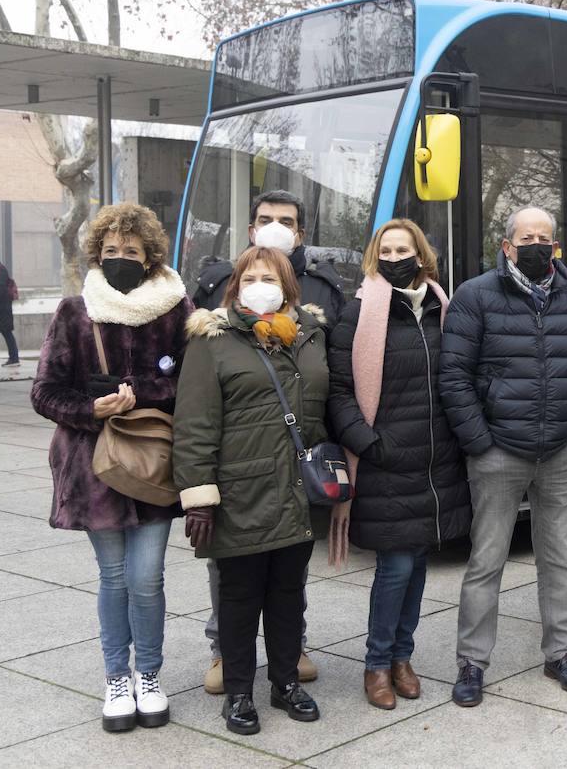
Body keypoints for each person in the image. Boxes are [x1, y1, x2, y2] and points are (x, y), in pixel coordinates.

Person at [30, 202, 192, 732]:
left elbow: (191, 383)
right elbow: (45, 392)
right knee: (115, 577)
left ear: (150, 258)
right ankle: (117, 678)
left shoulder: (175, 310)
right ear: (97, 254)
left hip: (152, 463)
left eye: (132, 251)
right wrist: (88, 408)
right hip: (94, 466)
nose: (120, 258)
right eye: (111, 250)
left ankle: (150, 674)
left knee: (147, 578)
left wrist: (138, 395)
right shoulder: (74, 312)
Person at [440, 206, 567, 707]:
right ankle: (472, 662)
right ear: (508, 245)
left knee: (559, 561)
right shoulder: (476, 295)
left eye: (546, 238)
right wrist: (480, 442)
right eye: (527, 237)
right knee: (486, 561)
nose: (537, 245)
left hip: (560, 451)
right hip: (498, 453)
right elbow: (454, 376)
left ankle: (560, 652)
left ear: (555, 247)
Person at [174, 246, 330, 735]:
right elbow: (195, 423)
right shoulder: (212, 339)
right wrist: (199, 496)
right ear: (235, 285)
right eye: (250, 276)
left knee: (288, 593)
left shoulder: (309, 334)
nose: (259, 283)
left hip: (296, 489)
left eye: (270, 275)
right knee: (239, 599)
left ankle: (285, 682)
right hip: (239, 490)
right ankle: (239, 691)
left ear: (288, 285)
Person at [327, 219, 472, 710]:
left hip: (436, 462)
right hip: (386, 460)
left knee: (418, 566)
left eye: (402, 249)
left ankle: (402, 657)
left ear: (420, 254)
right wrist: (368, 444)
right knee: (395, 566)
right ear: (375, 257)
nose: (394, 257)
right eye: (385, 250)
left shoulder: (443, 309)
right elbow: (340, 391)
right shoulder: (358, 312)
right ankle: (377, 663)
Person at [191, 190, 345, 326]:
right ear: (252, 232)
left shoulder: (324, 287)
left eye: (286, 222)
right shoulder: (219, 281)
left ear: (300, 236)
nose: (275, 229)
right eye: (265, 221)